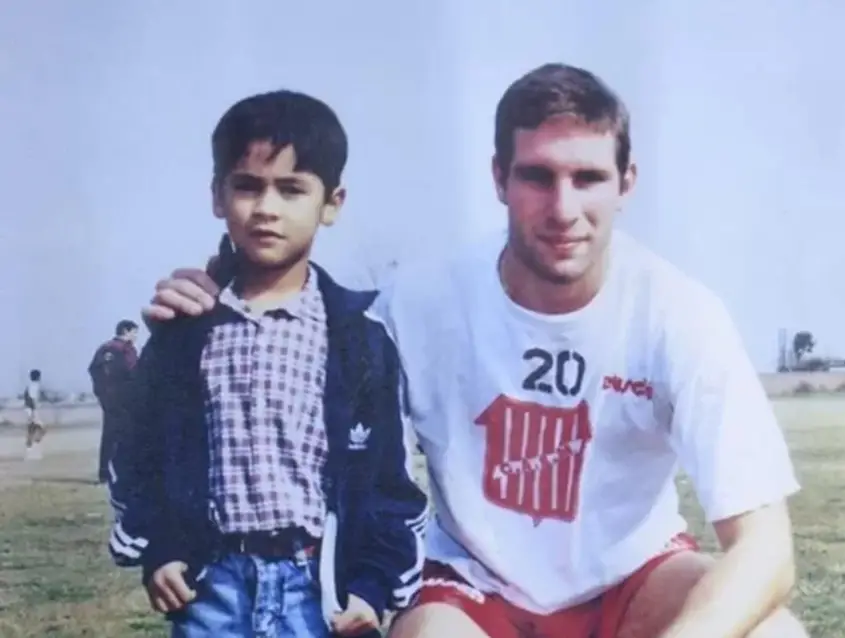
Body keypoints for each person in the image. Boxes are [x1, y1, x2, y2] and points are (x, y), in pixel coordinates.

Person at [141, 65, 807, 638]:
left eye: (588, 177)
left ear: (625, 183)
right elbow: (293, 322)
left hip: (630, 579)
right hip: (469, 588)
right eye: (537, 176)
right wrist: (211, 294)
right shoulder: (418, 302)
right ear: (498, 178)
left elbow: (766, 550)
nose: (563, 207)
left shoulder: (677, 313)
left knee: (771, 632)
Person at [108, 89, 427, 638]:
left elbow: (387, 482)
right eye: (248, 186)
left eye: (292, 189)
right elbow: (137, 456)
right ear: (217, 195)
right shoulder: (183, 332)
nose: (267, 208)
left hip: (319, 592)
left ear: (332, 203)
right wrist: (159, 549)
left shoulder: (359, 339)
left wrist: (372, 589)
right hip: (211, 591)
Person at [87, 319, 139, 482]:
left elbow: (93, 369)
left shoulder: (104, 348)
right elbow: (133, 371)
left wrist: (101, 392)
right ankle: (124, 472)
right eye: (134, 332)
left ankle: (104, 472)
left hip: (108, 400)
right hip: (125, 399)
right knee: (127, 435)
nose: (136, 336)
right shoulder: (125, 349)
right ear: (126, 331)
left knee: (109, 435)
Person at [23, 369, 45, 461]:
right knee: (38, 429)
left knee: (34, 429)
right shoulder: (35, 386)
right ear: (38, 377)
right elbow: (32, 399)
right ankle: (31, 448)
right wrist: (33, 412)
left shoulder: (30, 386)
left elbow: (27, 398)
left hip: (30, 410)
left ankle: (31, 448)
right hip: (33, 410)